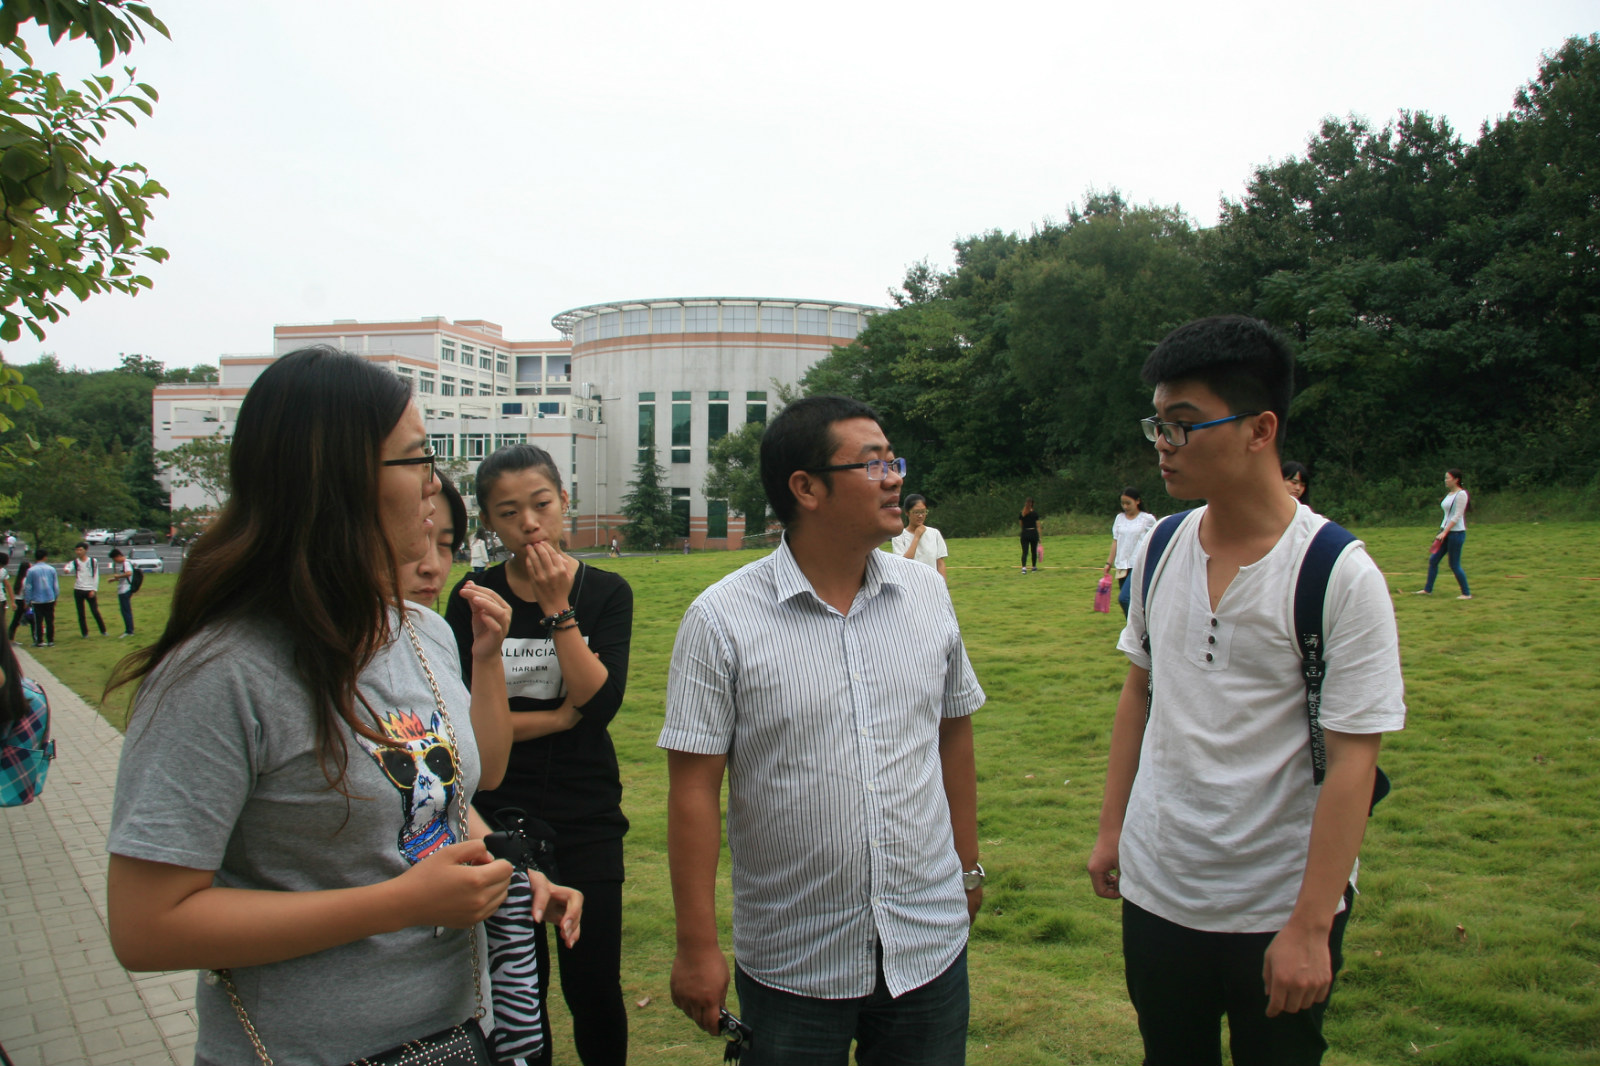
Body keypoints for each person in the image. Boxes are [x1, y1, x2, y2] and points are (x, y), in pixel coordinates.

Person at [104, 345, 579, 1066]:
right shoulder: (220, 673)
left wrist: (505, 871)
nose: (435, 484)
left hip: (454, 1037)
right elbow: (147, 927)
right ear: (340, 479)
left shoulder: (420, 632)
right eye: (419, 459)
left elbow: (431, 802)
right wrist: (401, 904)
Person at [1086, 316, 1406, 1066]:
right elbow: (1141, 693)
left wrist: (1311, 926)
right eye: (1157, 425)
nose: (1163, 445)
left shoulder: (1337, 573)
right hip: (1159, 888)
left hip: (1279, 903)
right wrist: (1112, 830)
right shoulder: (1161, 545)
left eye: (1183, 425)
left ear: (1262, 429)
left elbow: (1354, 760)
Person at [662, 395, 985, 1066]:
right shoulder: (721, 619)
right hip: (794, 960)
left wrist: (968, 866)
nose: (894, 479)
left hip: (928, 942)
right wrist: (696, 945)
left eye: (893, 461)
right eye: (872, 464)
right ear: (805, 489)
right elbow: (693, 790)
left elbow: (953, 733)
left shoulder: (927, 596)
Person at [445, 443, 634, 1066]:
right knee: (520, 992)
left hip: (586, 813)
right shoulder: (474, 597)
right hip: (497, 811)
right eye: (508, 512)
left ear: (563, 502)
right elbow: (471, 730)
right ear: (488, 522)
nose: (528, 523)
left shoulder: (605, 591)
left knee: (594, 987)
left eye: (541, 504)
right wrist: (554, 718)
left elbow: (599, 705)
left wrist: (558, 609)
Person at [1416, 469, 1471, 599]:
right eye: (1445, 478)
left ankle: (1466, 593)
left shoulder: (1461, 494)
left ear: (1456, 480)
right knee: (1433, 560)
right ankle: (1428, 590)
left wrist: (1446, 531)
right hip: (1445, 532)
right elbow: (1447, 515)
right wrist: (1442, 531)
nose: (1446, 480)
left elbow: (1457, 515)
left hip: (1456, 534)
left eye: (1448, 478)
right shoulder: (1450, 494)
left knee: (1454, 564)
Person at [1103, 488, 1157, 617]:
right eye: (1123, 503)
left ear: (1138, 501)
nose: (1125, 506)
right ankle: (1138, 625)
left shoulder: (1147, 519)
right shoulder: (1119, 518)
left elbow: (1156, 539)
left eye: (1128, 503)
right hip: (1122, 565)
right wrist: (1109, 563)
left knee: (1124, 598)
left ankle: (1138, 625)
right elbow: (1116, 541)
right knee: (1133, 601)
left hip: (1138, 564)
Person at [890, 492, 948, 581]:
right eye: (916, 512)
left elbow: (940, 564)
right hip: (911, 584)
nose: (920, 516)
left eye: (923, 512)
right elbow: (904, 564)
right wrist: (916, 537)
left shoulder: (935, 533)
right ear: (907, 513)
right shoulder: (899, 537)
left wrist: (943, 586)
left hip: (932, 584)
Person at [65, 541, 108, 637]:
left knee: (95, 611)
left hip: (89, 589)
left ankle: (103, 630)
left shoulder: (93, 561)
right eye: (77, 550)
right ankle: (84, 633)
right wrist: (67, 570)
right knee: (81, 613)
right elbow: (68, 567)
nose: (78, 552)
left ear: (85, 550)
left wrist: (93, 589)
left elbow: (96, 576)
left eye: (80, 550)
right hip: (78, 589)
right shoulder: (75, 562)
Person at [22, 549, 57, 648]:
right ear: (45, 557)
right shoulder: (51, 569)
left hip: (37, 599)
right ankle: (50, 640)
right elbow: (55, 586)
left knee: (38, 621)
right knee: (50, 620)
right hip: (49, 597)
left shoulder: (31, 570)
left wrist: (27, 600)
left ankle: (39, 641)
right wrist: (55, 597)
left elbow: (28, 586)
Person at [108, 548, 136, 637]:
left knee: (126, 611)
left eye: (114, 559)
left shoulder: (126, 563)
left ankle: (129, 631)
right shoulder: (125, 563)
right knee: (125, 610)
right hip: (123, 589)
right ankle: (129, 630)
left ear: (118, 556)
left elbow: (129, 573)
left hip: (125, 590)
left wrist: (118, 576)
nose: (115, 561)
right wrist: (114, 579)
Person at [9, 555, 32, 644]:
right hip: (23, 601)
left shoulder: (19, 578)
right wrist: (27, 602)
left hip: (18, 600)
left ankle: (11, 638)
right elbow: (26, 591)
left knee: (16, 619)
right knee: (29, 618)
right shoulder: (25, 580)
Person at [1019, 497, 1042, 573]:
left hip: (1025, 533)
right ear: (1032, 504)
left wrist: (1025, 530)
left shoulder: (1022, 513)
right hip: (1033, 533)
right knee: (1033, 551)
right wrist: (1040, 537)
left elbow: (1021, 524)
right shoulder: (1035, 513)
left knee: (1025, 552)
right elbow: (1038, 526)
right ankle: (1034, 567)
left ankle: (1024, 568)